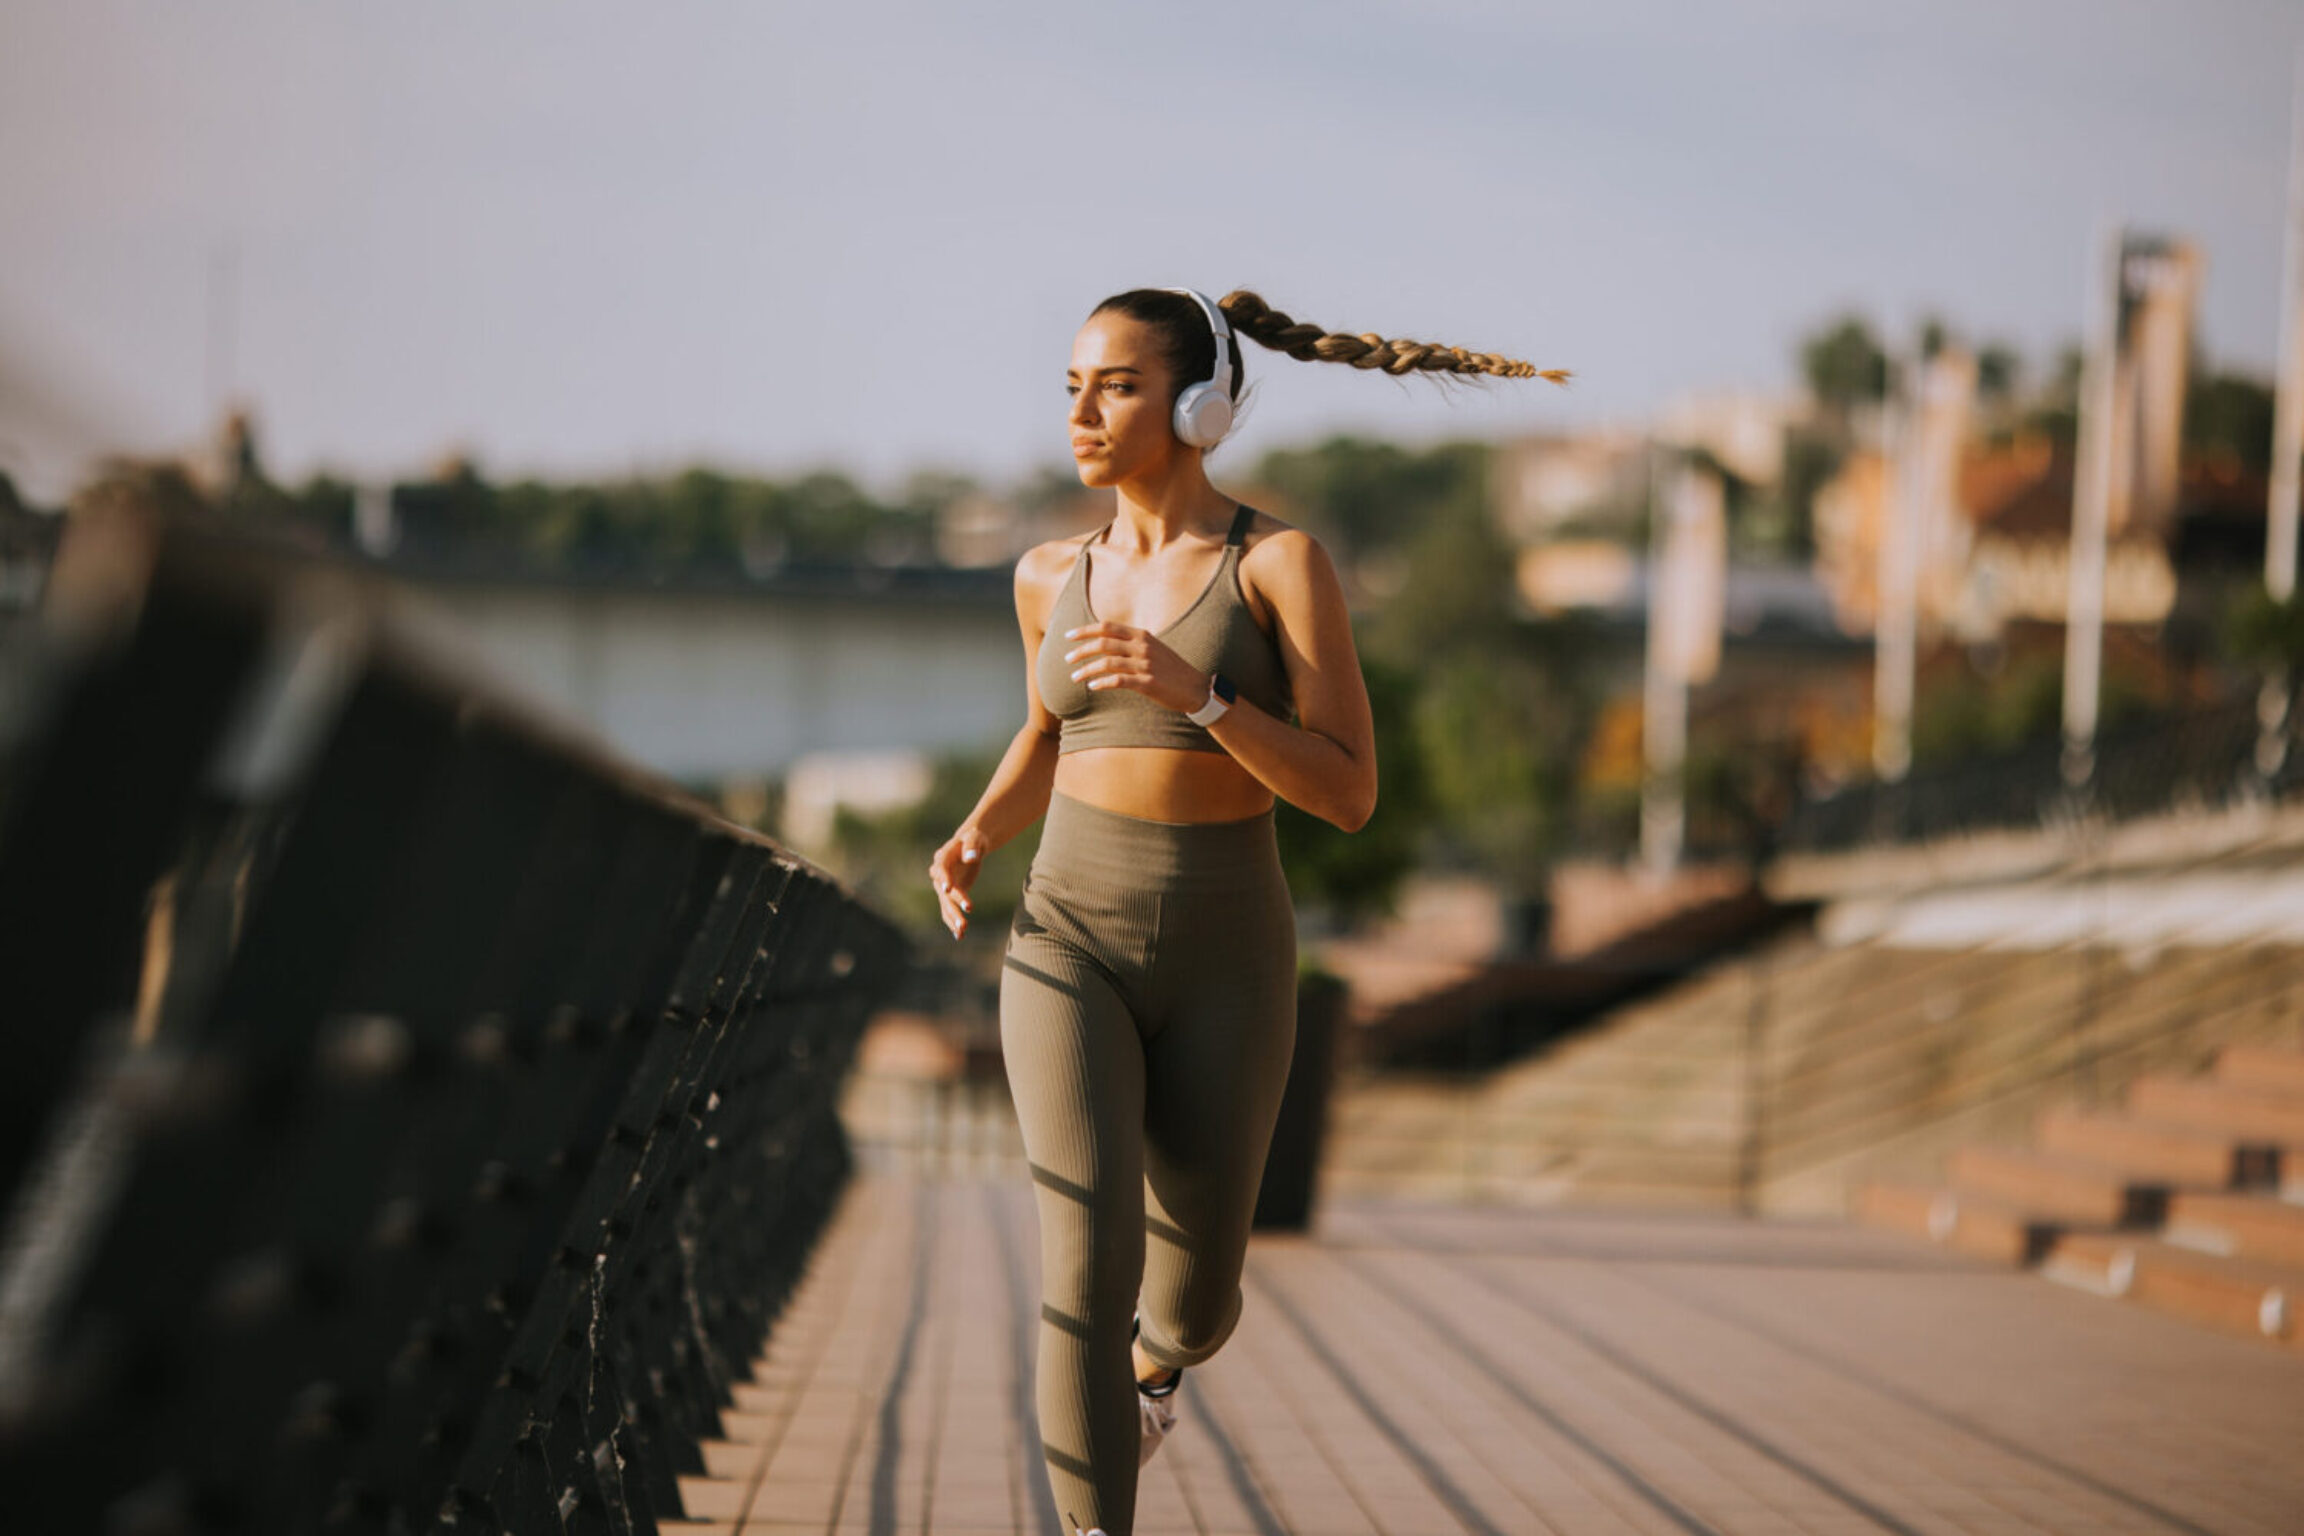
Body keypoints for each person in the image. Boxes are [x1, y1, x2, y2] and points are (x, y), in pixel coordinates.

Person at [927, 288, 1563, 1536]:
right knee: (1085, 1258)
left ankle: (1156, 1376)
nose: (1084, 411)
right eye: (1072, 385)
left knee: (1197, 1296)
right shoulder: (1047, 573)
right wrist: (976, 832)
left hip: (1229, 952)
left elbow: (1348, 792)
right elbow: (1049, 732)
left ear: (1199, 405)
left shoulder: (1276, 566)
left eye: (1114, 384)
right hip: (1066, 935)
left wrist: (1204, 697)